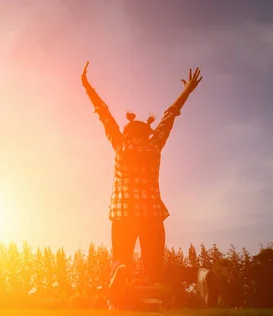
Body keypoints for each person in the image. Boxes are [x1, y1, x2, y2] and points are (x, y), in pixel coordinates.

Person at [82, 62, 202, 286]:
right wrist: (186, 91)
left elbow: (104, 113)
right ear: (148, 133)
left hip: (123, 214)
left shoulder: (120, 145)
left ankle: (120, 276)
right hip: (152, 216)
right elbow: (169, 116)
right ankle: (195, 276)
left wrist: (87, 87)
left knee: (121, 261)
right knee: (155, 270)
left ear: (126, 132)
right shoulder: (154, 146)